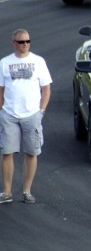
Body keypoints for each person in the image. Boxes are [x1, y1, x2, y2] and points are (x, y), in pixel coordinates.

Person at [0, 29, 52, 204]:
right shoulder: (5, 63)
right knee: (7, 152)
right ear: (14, 43)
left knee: (31, 152)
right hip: (9, 114)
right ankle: (6, 192)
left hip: (32, 114)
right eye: (21, 42)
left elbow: (46, 89)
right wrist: (1, 110)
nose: (25, 44)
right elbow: (0, 90)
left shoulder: (38, 61)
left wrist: (41, 111)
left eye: (27, 41)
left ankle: (26, 191)